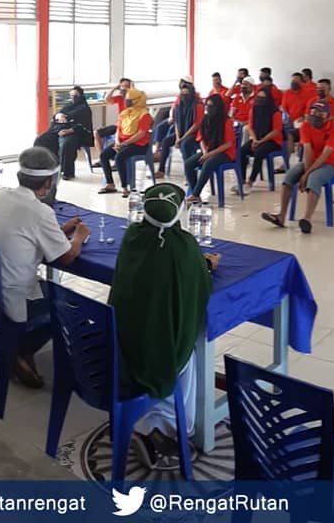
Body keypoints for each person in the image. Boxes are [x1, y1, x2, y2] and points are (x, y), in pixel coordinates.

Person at [108, 182, 220, 462]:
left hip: (123, 340)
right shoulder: (183, 247)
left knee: (159, 334)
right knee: (188, 347)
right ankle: (169, 428)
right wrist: (207, 265)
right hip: (157, 349)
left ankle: (146, 423)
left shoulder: (132, 236)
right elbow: (199, 285)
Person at [0, 147, 89, 388]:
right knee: (70, 307)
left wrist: (60, 230)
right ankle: (16, 350)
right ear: (48, 183)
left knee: (51, 292)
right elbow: (66, 257)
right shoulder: (40, 211)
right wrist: (79, 236)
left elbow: (24, 231)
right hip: (9, 297)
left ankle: (19, 351)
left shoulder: (0, 195)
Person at [261, 100, 334, 235]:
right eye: (313, 112)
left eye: (320, 114)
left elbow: (325, 155)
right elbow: (308, 151)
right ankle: (281, 216)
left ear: (328, 116)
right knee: (289, 176)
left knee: (314, 178)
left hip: (330, 164)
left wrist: (307, 174)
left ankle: (307, 219)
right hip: (311, 161)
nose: (315, 116)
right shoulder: (306, 126)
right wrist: (306, 170)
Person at [98, 88, 152, 197]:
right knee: (103, 155)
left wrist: (124, 144)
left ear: (137, 101)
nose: (126, 101)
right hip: (122, 142)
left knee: (120, 157)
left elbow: (141, 134)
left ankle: (125, 187)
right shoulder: (125, 113)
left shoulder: (144, 115)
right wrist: (117, 142)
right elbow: (118, 130)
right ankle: (110, 184)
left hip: (139, 144)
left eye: (129, 100)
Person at [184, 93, 236, 204]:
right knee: (188, 164)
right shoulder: (205, 119)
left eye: (211, 106)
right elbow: (201, 138)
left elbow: (228, 144)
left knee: (208, 163)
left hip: (225, 153)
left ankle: (195, 194)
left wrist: (209, 155)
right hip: (209, 150)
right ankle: (195, 193)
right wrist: (205, 152)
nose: (208, 108)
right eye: (207, 105)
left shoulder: (226, 121)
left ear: (218, 107)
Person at [34, 86, 93, 180]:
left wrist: (68, 131)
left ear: (81, 96)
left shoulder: (84, 109)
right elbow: (58, 114)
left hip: (74, 132)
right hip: (58, 129)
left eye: (75, 95)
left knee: (67, 144)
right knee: (41, 140)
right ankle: (45, 165)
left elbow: (84, 126)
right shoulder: (69, 105)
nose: (73, 97)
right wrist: (58, 115)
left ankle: (66, 172)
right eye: (71, 95)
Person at [155, 78, 202, 176]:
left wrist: (182, 139)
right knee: (166, 141)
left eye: (186, 93)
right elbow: (176, 122)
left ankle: (189, 172)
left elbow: (196, 125)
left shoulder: (198, 105)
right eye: (183, 93)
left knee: (185, 144)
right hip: (181, 132)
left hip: (194, 133)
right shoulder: (179, 105)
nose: (184, 95)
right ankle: (161, 170)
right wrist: (177, 137)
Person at [241, 87, 282, 187]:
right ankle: (242, 179)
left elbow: (276, 131)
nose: (260, 100)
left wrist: (261, 141)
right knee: (242, 150)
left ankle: (251, 180)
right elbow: (250, 127)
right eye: (258, 97)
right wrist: (255, 140)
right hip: (257, 138)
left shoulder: (275, 112)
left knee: (259, 151)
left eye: (263, 98)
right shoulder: (253, 110)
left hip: (272, 141)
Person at [93, 77, 132, 163]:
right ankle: (102, 157)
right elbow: (107, 99)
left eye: (127, 86)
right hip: (118, 125)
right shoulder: (120, 98)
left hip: (128, 128)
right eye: (123, 86)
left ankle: (117, 160)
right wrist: (114, 88)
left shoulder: (134, 99)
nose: (125, 89)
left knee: (119, 139)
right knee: (96, 133)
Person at [281, 72, 309, 155]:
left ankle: (298, 153)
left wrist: (303, 117)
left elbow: (308, 110)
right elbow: (284, 108)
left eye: (296, 81)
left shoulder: (307, 94)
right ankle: (288, 152)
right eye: (293, 81)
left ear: (301, 82)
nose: (294, 83)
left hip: (300, 119)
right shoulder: (287, 93)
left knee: (301, 128)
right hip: (288, 119)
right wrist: (287, 118)